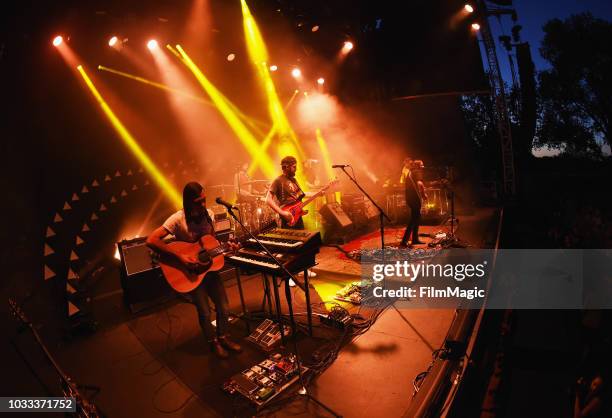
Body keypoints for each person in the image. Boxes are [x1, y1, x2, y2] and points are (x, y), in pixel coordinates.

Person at [146, 182, 242, 359]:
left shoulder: (209, 215)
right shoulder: (177, 219)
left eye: (204, 200)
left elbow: (210, 244)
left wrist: (227, 248)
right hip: (189, 273)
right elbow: (152, 240)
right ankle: (212, 343)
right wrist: (180, 257)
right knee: (205, 311)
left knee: (224, 305)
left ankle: (223, 336)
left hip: (209, 270)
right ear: (188, 202)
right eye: (198, 202)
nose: (203, 205)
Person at [266, 156, 306, 229]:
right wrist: (282, 213)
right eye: (294, 167)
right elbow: (268, 199)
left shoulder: (294, 180)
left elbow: (299, 196)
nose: (296, 169)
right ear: (287, 167)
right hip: (287, 217)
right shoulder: (278, 180)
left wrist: (320, 193)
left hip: (298, 216)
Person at [399, 158, 428, 247]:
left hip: (410, 198)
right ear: (418, 166)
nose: (423, 167)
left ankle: (415, 239)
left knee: (416, 217)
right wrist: (424, 194)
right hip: (415, 199)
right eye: (421, 165)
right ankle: (404, 241)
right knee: (414, 219)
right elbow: (419, 184)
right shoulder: (417, 172)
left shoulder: (410, 172)